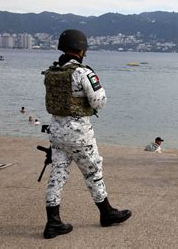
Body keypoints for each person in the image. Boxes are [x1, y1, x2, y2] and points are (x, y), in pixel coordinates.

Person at [42, 29, 131, 239]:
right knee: (93, 171)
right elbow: (100, 102)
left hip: (56, 132)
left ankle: (53, 222)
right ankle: (106, 213)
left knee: (57, 175)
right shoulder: (83, 73)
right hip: (79, 134)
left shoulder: (52, 72)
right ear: (81, 49)